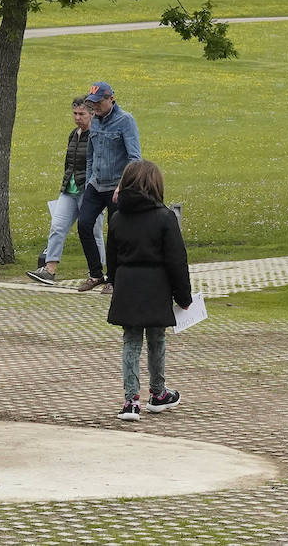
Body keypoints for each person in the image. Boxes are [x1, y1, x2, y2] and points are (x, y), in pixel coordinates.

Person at [106, 160, 191, 421]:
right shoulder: (165, 217)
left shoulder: (118, 217)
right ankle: (158, 392)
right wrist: (183, 296)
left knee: (131, 341)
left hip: (127, 284)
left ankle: (131, 400)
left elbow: (111, 257)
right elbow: (177, 259)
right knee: (157, 339)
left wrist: (115, 281)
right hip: (157, 285)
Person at [27, 96, 105, 285]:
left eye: (82, 114)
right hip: (68, 189)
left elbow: (100, 163)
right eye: (75, 113)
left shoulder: (97, 134)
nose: (78, 117)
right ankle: (49, 270)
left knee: (94, 232)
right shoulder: (74, 134)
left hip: (89, 191)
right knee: (57, 226)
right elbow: (68, 162)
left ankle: (98, 270)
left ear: (91, 114)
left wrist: (93, 187)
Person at [76, 81, 141, 294]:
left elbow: (134, 158)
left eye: (99, 103)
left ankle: (114, 279)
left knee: (115, 233)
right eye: (92, 103)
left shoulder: (125, 121)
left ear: (110, 99)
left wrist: (122, 186)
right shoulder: (94, 121)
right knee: (84, 225)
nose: (95, 107)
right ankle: (95, 274)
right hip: (96, 184)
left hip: (117, 186)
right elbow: (90, 155)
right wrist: (88, 183)